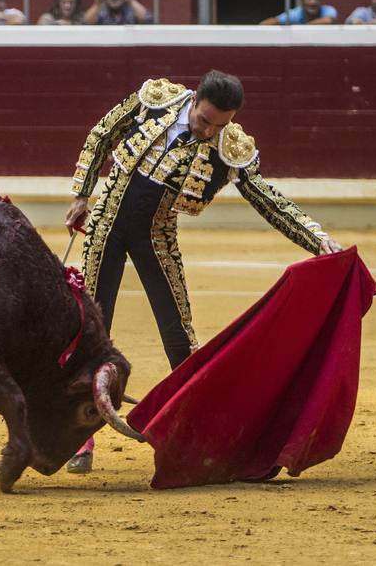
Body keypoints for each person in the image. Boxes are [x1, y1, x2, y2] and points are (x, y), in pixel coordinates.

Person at [62, 70, 343, 473]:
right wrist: (81, 194)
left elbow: (268, 199)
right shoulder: (155, 99)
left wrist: (317, 239)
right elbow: (101, 134)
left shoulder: (230, 147)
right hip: (105, 224)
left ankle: (198, 429)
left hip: (155, 237)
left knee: (178, 335)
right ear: (194, 101)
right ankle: (80, 436)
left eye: (219, 125)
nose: (209, 131)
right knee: (91, 329)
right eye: (204, 120)